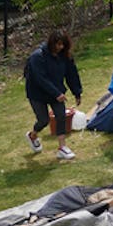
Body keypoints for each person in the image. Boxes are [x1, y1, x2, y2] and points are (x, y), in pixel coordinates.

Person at [24, 30, 82, 160]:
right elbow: (41, 79)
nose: (60, 47)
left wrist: (77, 92)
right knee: (43, 120)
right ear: (52, 43)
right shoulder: (37, 57)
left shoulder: (64, 56)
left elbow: (72, 74)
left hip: (56, 91)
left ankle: (62, 147)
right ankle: (32, 135)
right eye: (58, 44)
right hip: (37, 92)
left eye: (63, 45)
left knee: (60, 116)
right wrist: (56, 93)